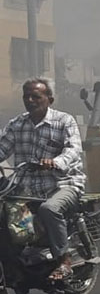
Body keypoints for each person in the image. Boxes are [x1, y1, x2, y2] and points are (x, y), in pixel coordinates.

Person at [0, 79, 85, 281]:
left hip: (62, 184)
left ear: (49, 99)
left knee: (49, 209)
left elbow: (74, 149)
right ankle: (14, 262)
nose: (30, 100)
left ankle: (63, 260)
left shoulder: (65, 121)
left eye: (36, 96)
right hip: (25, 187)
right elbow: (2, 149)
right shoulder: (17, 124)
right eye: (26, 96)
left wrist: (55, 162)